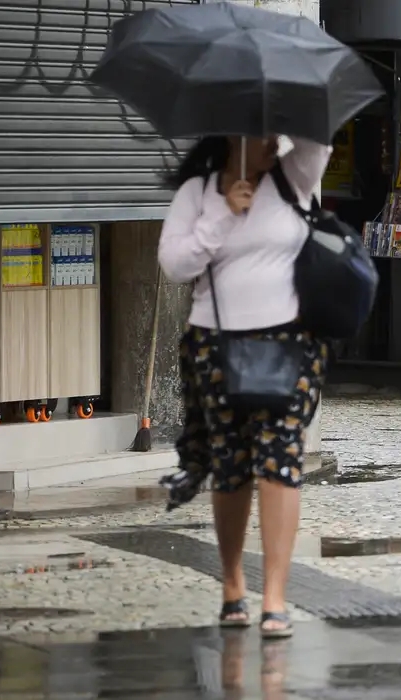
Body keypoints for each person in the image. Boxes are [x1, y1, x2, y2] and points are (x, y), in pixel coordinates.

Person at [158, 134, 332, 638]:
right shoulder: (199, 191)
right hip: (215, 346)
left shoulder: (293, 177)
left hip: (287, 343)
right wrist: (222, 215)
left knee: (280, 459)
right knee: (231, 465)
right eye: (257, 132)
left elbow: (317, 139)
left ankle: (275, 596)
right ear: (229, 136)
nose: (268, 142)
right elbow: (175, 266)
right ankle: (233, 583)